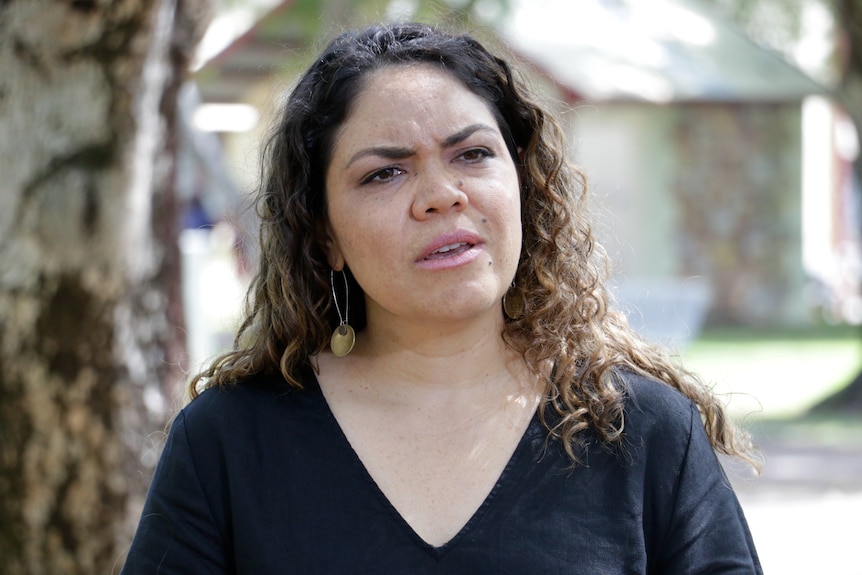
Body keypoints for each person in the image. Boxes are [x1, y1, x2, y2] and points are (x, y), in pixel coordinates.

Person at [121, 22, 762, 574]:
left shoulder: (643, 432)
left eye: (473, 154)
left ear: (523, 188)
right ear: (324, 235)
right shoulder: (228, 444)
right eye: (384, 173)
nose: (441, 194)